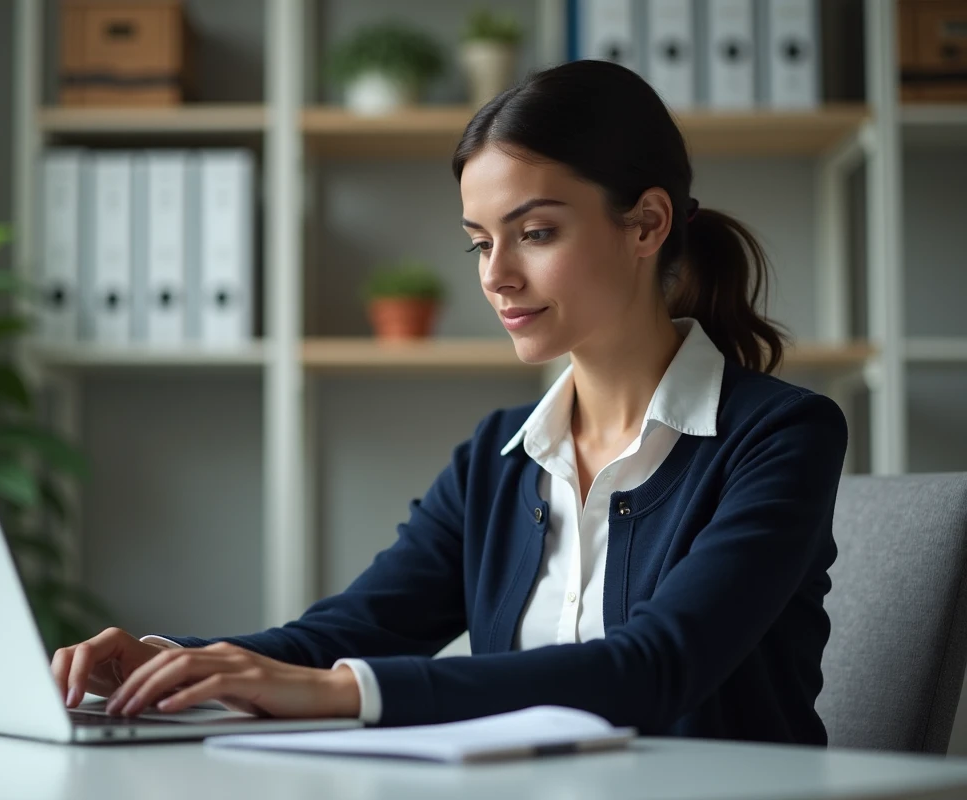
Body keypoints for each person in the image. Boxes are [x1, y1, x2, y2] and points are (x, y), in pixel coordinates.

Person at [50, 60, 847, 744]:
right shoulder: (499, 457)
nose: (495, 274)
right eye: (479, 240)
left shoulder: (780, 436)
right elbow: (345, 633)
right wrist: (164, 658)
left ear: (645, 224)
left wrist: (343, 693)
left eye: (533, 233)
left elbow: (657, 666)